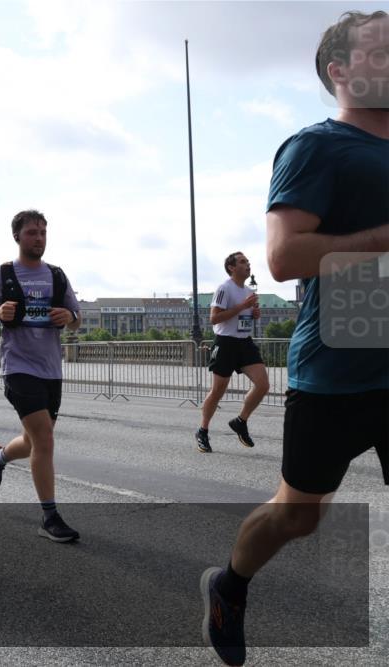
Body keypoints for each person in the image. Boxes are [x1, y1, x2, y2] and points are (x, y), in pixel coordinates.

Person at [201, 11, 389, 666]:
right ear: (340, 71)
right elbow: (284, 258)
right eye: (382, 50)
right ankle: (229, 583)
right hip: (338, 369)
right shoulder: (318, 146)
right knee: (298, 515)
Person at [0, 209, 82, 543]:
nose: (39, 238)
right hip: (18, 367)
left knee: (35, 440)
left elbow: (77, 317)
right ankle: (50, 517)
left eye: (43, 232)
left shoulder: (57, 276)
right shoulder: (3, 276)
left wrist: (70, 316)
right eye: (33, 232)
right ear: (18, 236)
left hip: (51, 369)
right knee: (45, 439)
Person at [195, 253, 269, 453]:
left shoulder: (247, 290)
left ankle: (240, 421)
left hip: (244, 343)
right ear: (231, 267)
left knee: (263, 385)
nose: (248, 265)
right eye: (243, 262)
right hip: (226, 343)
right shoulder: (224, 288)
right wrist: (242, 307)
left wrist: (253, 314)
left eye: (248, 262)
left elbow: (244, 317)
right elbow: (214, 318)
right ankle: (203, 430)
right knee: (218, 391)